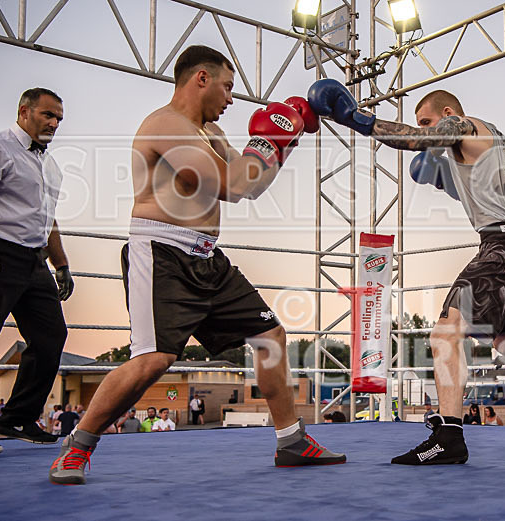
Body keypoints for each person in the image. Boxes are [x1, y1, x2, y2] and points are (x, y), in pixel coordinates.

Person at [47, 45, 344, 485]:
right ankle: (78, 445)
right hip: (162, 252)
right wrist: (273, 138)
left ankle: (292, 440)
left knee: (270, 335)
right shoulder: (165, 125)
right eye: (227, 86)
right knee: (153, 360)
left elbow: (250, 185)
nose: (230, 99)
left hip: (207, 257)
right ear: (200, 79)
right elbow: (230, 184)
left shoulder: (215, 136)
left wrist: (282, 141)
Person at [307, 80, 505, 465]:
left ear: (448, 115)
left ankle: (449, 435)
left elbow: (416, 140)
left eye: (427, 119)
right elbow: (487, 191)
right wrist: (444, 178)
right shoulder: (492, 139)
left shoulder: (464, 124)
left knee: (444, 335)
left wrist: (357, 120)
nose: (424, 127)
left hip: (502, 248)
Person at [0, 88, 74, 445]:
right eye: (48, 115)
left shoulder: (49, 165)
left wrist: (62, 264)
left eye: (58, 118)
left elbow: (48, 218)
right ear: (24, 111)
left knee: (50, 337)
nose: (54, 123)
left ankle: (17, 419)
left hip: (34, 259)